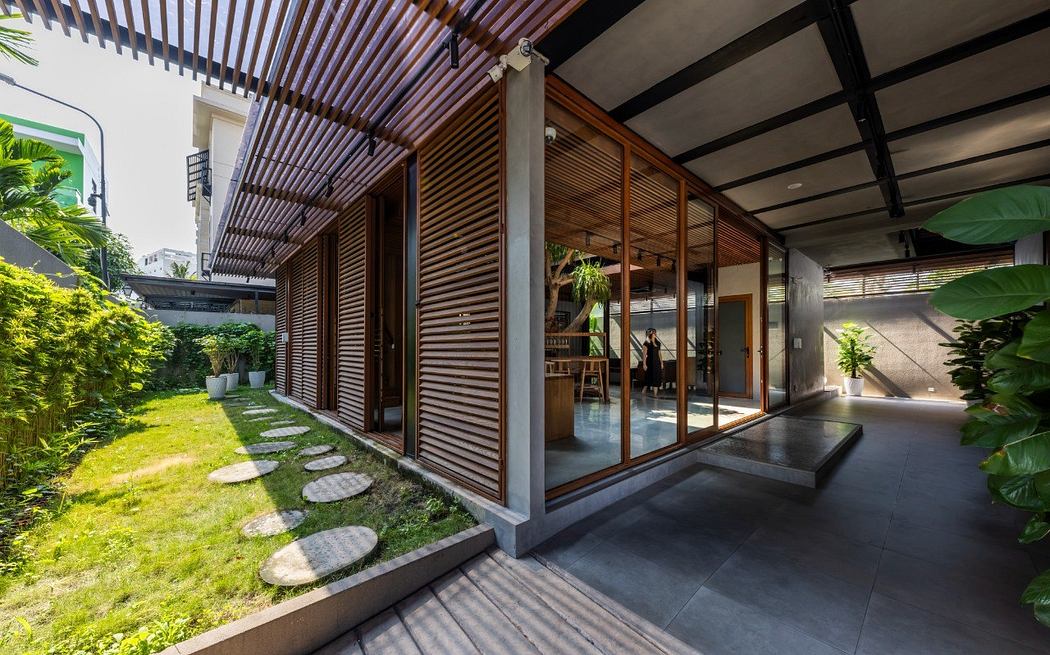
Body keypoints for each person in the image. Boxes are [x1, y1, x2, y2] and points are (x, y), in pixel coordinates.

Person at [641, 328, 664, 397]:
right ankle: (644, 390)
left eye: (655, 332)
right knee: (648, 377)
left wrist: (661, 363)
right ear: (650, 334)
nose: (655, 334)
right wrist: (644, 364)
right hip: (650, 363)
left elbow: (659, 353)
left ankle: (655, 394)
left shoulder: (658, 343)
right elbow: (644, 355)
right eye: (654, 333)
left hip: (657, 363)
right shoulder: (646, 343)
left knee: (656, 377)